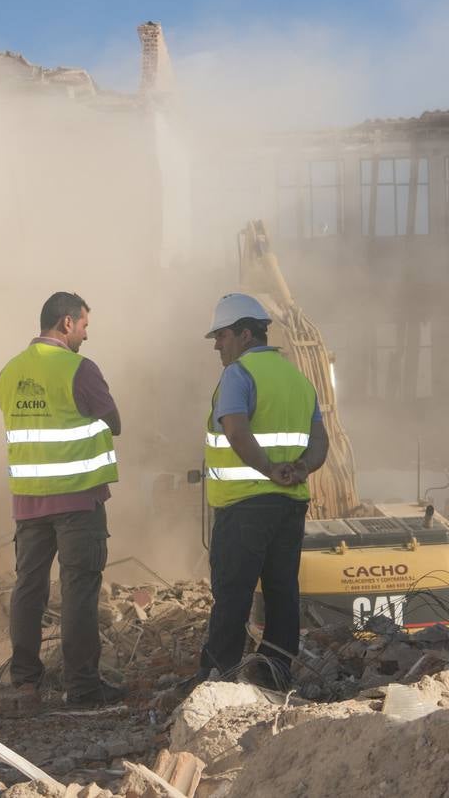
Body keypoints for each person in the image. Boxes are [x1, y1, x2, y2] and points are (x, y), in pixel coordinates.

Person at [0, 291, 124, 707]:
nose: (86, 335)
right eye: (84, 325)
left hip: (29, 503)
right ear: (67, 323)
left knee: (28, 590)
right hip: (77, 502)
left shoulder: (9, 372)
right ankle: (83, 687)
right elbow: (114, 422)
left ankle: (26, 683)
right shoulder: (80, 370)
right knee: (78, 592)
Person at [199, 293, 329, 688]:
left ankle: (217, 679)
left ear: (243, 333)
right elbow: (321, 442)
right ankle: (276, 673)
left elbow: (236, 430)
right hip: (289, 507)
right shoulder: (298, 379)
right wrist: (301, 468)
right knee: (282, 591)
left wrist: (270, 469)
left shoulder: (239, 375)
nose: (218, 345)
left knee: (233, 593)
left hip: (244, 507)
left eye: (221, 336)